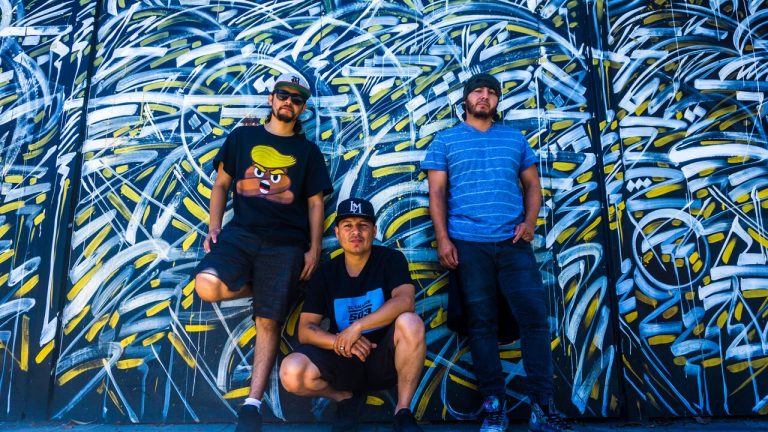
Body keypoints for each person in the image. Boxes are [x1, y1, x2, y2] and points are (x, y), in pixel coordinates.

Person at [422, 73, 568, 432]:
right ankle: (494, 408)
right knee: (481, 324)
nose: (484, 97)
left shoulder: (515, 139)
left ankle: (543, 407)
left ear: (498, 100)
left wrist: (530, 223)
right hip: (468, 243)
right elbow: (436, 194)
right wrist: (443, 239)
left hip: (513, 244)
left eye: (491, 92)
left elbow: (532, 185)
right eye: (478, 91)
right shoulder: (445, 141)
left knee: (534, 320)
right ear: (466, 99)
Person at [194, 73, 333, 432]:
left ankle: (252, 406)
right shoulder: (242, 137)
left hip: (286, 244)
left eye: (297, 99)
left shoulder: (308, 152)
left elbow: (315, 203)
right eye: (283, 95)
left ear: (302, 108)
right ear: (271, 99)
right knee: (206, 285)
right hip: (240, 235)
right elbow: (221, 184)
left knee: (268, 320)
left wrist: (314, 249)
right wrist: (214, 226)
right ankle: (272, 289)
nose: (289, 102)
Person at [279, 197, 426, 432]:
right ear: (337, 233)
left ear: (374, 231)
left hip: (384, 358)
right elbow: (306, 330)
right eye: (348, 226)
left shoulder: (391, 259)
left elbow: (405, 301)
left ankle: (403, 412)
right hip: (342, 359)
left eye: (363, 225)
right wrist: (342, 341)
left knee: (411, 322)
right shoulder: (326, 273)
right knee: (291, 371)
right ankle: (345, 399)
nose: (355, 232)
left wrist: (356, 328)